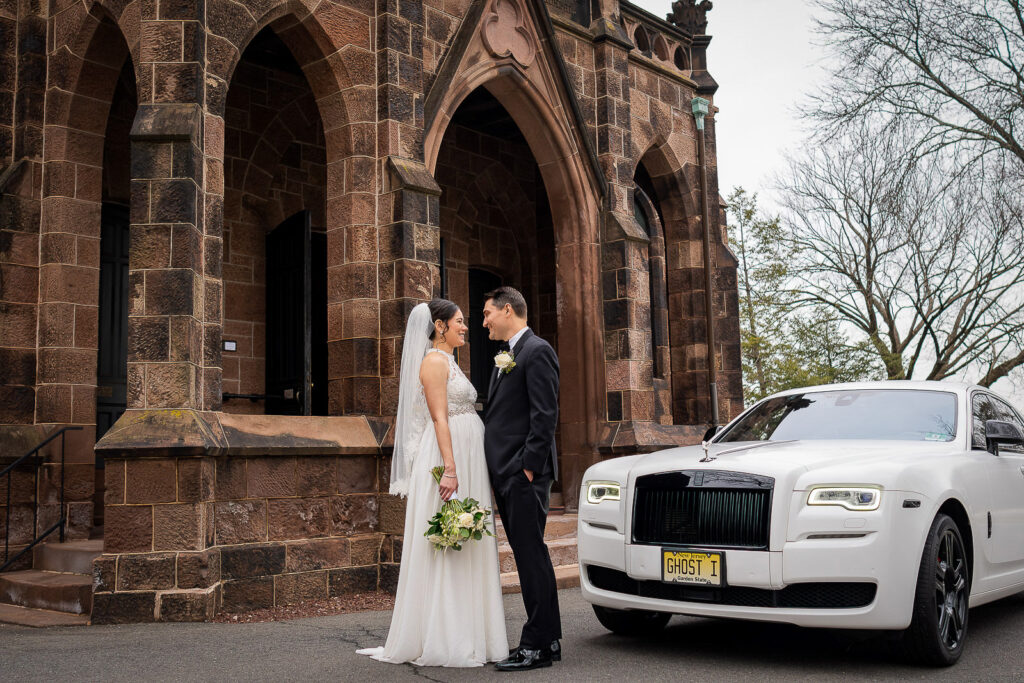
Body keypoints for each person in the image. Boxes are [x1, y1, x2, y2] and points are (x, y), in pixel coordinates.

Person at [357, 299, 508, 667]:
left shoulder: (451, 361)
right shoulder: (433, 362)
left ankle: (474, 633)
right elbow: (440, 419)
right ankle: (447, 637)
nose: (465, 327)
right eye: (459, 321)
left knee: (466, 539)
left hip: (466, 458)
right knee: (450, 541)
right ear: (439, 326)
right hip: (448, 459)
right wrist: (452, 469)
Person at [482, 286, 562, 672]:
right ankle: (548, 638)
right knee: (531, 557)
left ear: (507, 310)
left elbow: (545, 414)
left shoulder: (537, 350)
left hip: (523, 475)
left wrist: (526, 468)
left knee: (531, 557)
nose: (484, 322)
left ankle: (537, 646)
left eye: (487, 314)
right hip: (509, 474)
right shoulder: (507, 356)